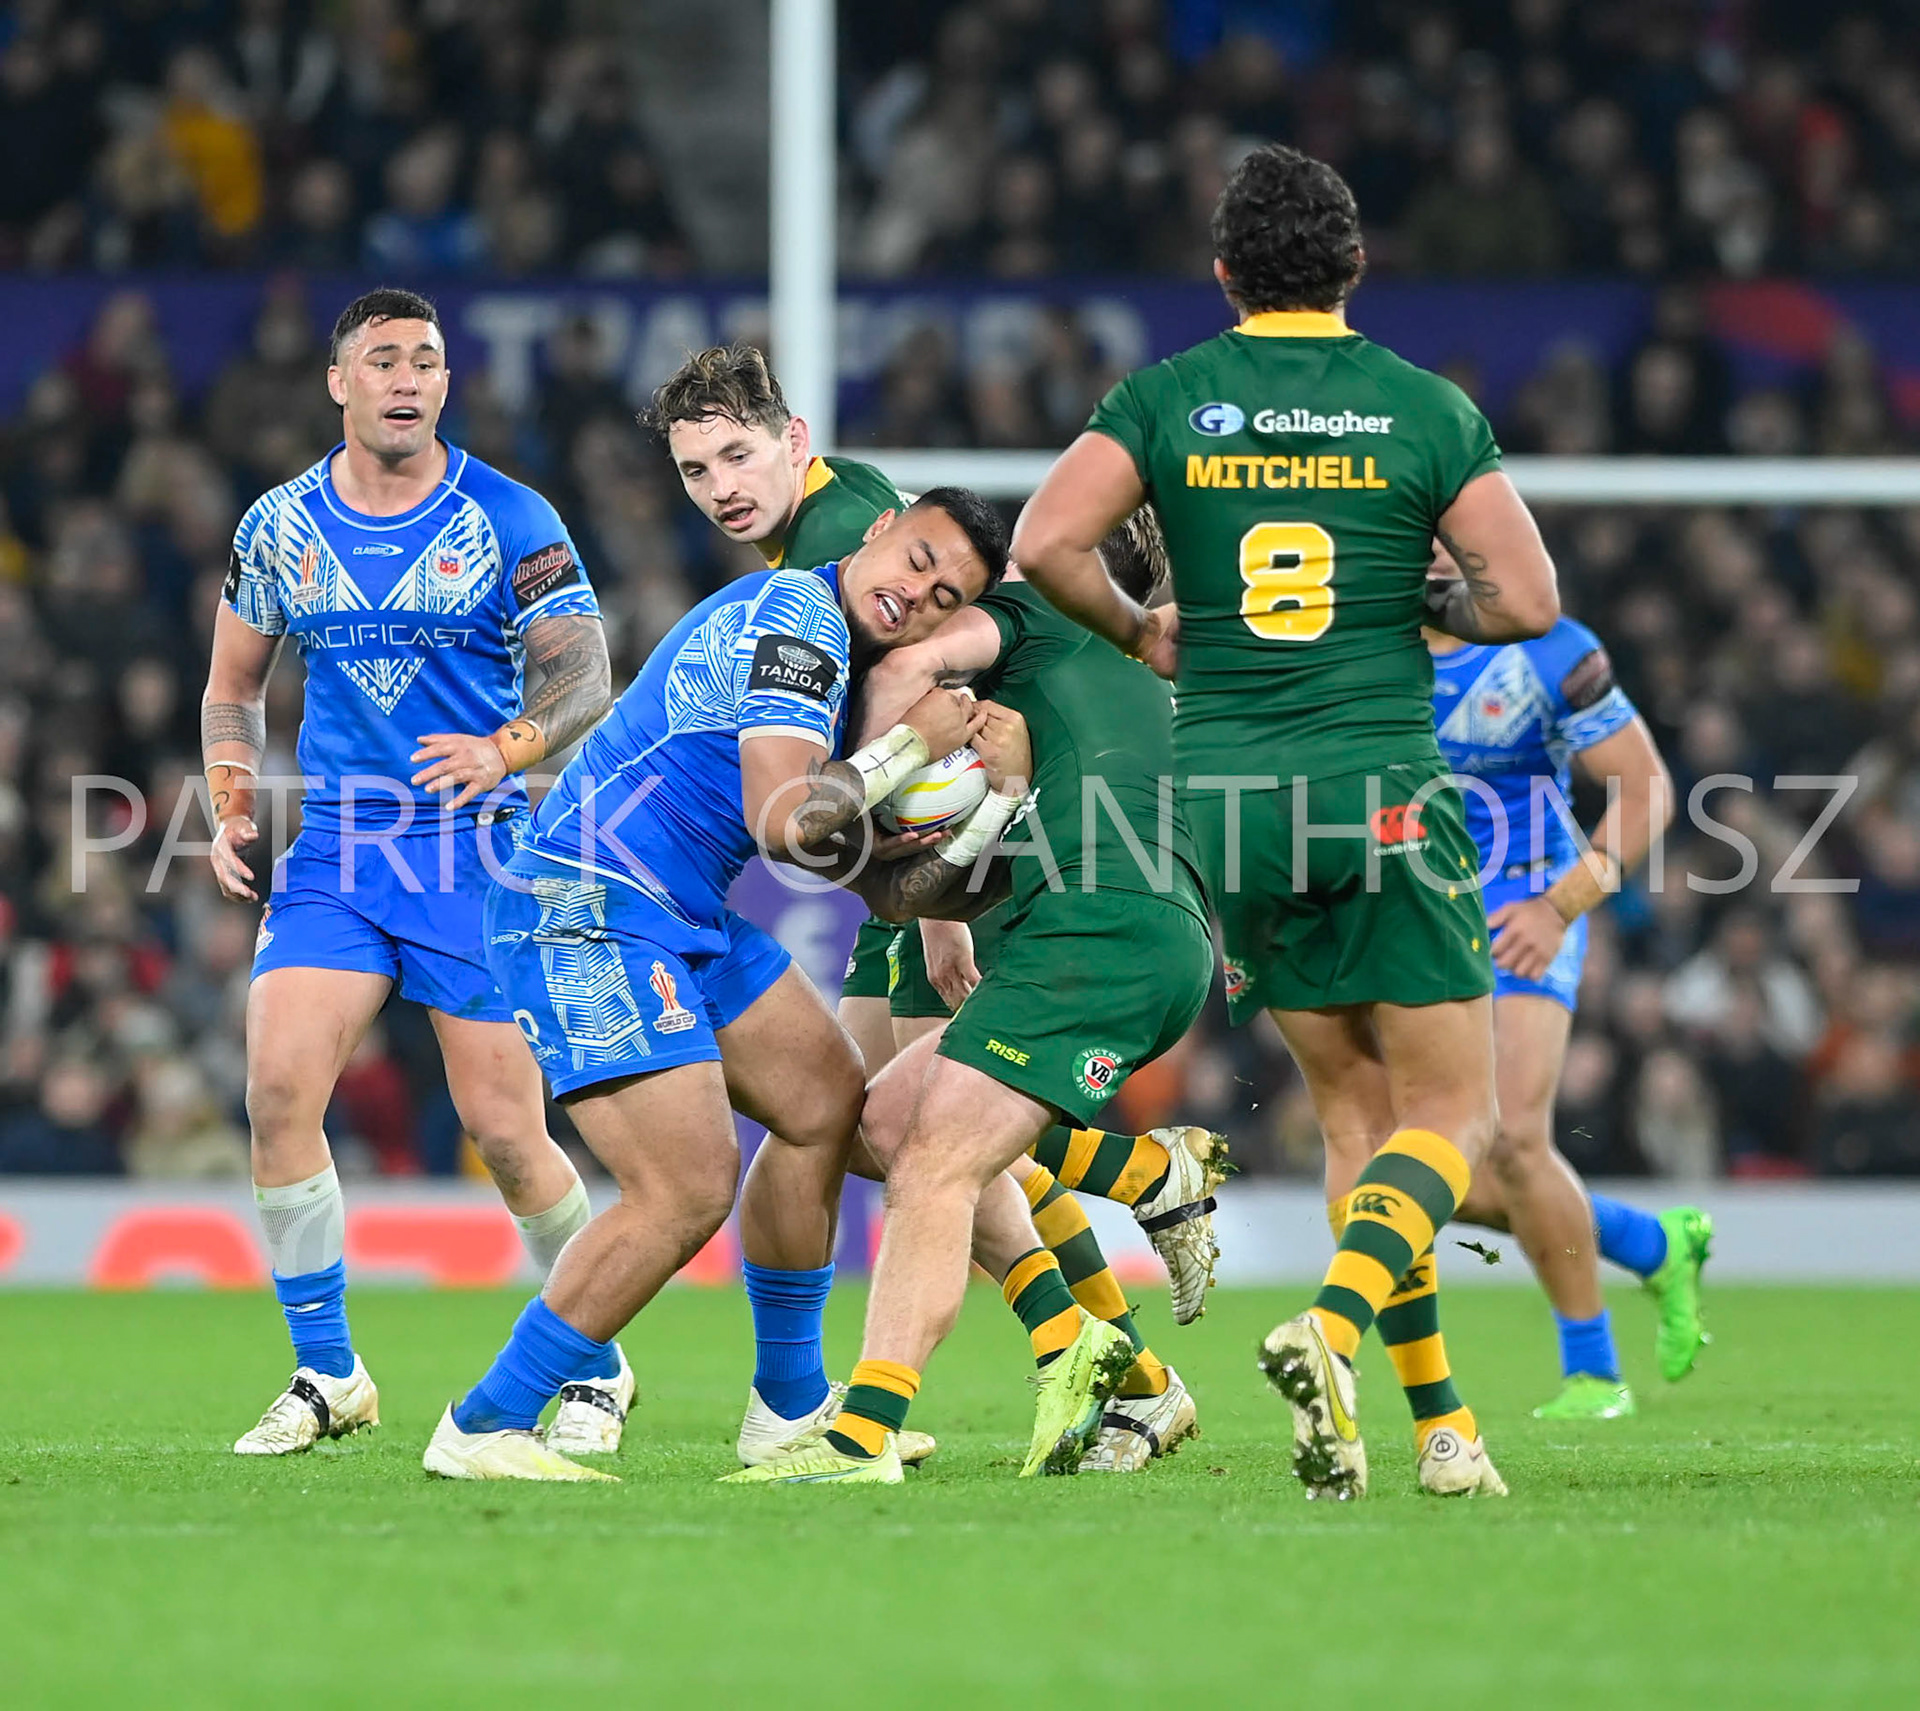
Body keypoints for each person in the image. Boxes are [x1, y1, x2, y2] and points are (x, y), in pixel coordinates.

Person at [1010, 143, 1561, 1500]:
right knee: (1456, 1115)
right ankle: (1332, 1322)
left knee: (1352, 1119)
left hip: (1231, 806)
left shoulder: (1170, 395)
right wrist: (1436, 605)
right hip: (1376, 784)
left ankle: (1439, 1431)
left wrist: (1145, 631)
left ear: (1223, 275)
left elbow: (1041, 541)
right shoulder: (1420, 406)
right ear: (1356, 268)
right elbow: (1532, 601)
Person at [649, 345, 1221, 1467]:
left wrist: (936, 889)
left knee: (936, 1145)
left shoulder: (851, 535)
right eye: (694, 467)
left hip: (983, 868)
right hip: (956, 863)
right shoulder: (826, 537)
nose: (720, 483)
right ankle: (1117, 1328)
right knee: (853, 1123)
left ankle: (966, 1388)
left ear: (795, 440)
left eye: (736, 452)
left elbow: (919, 684)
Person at [421, 489, 1009, 1482]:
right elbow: (786, 820)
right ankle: (486, 1420)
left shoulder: (833, 650)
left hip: (676, 905)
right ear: (876, 532)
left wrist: (977, 819)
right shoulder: (800, 626)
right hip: (586, 897)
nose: (917, 592)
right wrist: (916, 749)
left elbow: (862, 876)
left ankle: (787, 1407)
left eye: (945, 592)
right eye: (915, 559)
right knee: (684, 1186)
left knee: (825, 1103)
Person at [205, 288, 625, 1458]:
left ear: (448, 384)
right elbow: (231, 685)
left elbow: (585, 674)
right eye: (383, 360)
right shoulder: (279, 524)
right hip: (340, 851)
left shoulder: (509, 514)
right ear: (338, 383)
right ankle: (329, 1371)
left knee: (504, 1128)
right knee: (279, 1090)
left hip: (473, 846)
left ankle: (600, 1356)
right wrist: (233, 799)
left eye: (427, 361)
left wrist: (505, 746)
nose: (407, 378)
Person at [1412, 550, 1709, 1418]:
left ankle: (1594, 1372)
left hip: (1523, 903)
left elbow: (1647, 789)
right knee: (1407, 1172)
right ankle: (1650, 1241)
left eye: (1450, 529)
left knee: (1510, 1141)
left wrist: (1559, 905)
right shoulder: (1357, 647)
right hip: (1409, 914)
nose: (1434, 549)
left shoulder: (1547, 647)